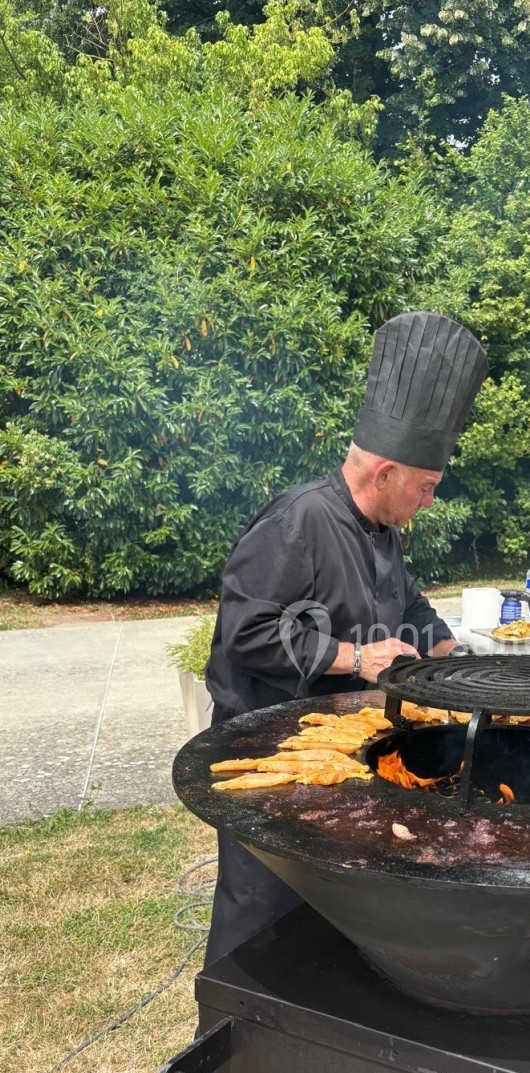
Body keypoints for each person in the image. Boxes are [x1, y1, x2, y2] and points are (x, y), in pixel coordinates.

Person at [203, 310, 489, 966]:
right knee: (262, 912)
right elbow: (246, 631)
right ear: (385, 471)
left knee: (331, 916)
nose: (430, 501)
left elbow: (408, 606)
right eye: (426, 487)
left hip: (345, 753)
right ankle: (227, 1042)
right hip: (272, 760)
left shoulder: (381, 531)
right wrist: (355, 658)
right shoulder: (299, 520)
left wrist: (447, 652)